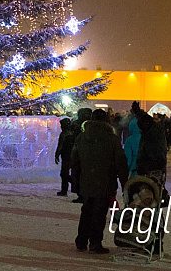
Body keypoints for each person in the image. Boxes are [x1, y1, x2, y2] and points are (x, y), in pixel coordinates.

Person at [70, 107, 128, 255]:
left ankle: (81, 241)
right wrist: (124, 182)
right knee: (99, 214)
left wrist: (75, 181)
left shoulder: (82, 137)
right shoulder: (112, 139)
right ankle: (95, 242)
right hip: (105, 182)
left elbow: (74, 161)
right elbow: (120, 162)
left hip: (86, 181)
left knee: (86, 211)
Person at [54, 118, 74, 196]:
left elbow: (60, 145)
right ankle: (73, 184)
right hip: (72, 155)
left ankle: (65, 190)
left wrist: (57, 155)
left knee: (64, 173)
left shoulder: (64, 134)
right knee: (66, 173)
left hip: (66, 156)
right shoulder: (72, 133)